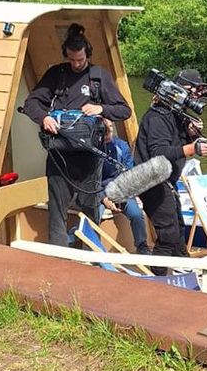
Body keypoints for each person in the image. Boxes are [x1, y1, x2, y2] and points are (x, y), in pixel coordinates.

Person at [23, 23, 132, 247]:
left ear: (87, 55)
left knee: (91, 209)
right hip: (59, 157)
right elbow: (31, 102)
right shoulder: (57, 74)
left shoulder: (98, 76)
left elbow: (124, 110)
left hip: (90, 158)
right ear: (66, 56)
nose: (76, 64)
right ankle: (60, 258)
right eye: (72, 60)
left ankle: (91, 255)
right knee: (57, 210)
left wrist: (101, 109)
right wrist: (44, 117)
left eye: (80, 60)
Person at [134, 69, 207, 274]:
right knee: (168, 234)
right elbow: (158, 151)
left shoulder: (176, 115)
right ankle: (157, 278)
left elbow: (175, 146)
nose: (194, 97)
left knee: (177, 230)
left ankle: (184, 269)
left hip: (165, 181)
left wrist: (188, 134)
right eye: (192, 91)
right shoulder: (157, 116)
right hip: (150, 180)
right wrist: (191, 148)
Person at [99, 117, 151, 255]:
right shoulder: (93, 150)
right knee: (93, 215)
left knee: (136, 214)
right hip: (99, 192)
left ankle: (142, 246)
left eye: (110, 127)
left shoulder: (121, 146)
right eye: (105, 127)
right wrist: (104, 198)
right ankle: (85, 242)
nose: (109, 130)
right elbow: (90, 182)